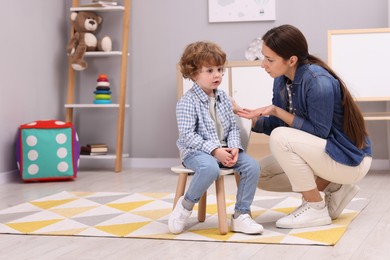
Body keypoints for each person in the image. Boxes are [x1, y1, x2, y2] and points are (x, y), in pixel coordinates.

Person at [236, 24, 372, 229]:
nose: (263, 64)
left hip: (349, 159)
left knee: (282, 137)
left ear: (291, 60)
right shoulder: (281, 80)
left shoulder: (318, 81)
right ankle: (335, 187)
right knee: (257, 173)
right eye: (263, 57)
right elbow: (281, 124)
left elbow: (319, 133)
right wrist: (253, 120)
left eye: (269, 59)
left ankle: (314, 206)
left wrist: (276, 110)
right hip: (326, 154)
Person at [168, 41, 263, 235]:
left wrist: (234, 147)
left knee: (252, 166)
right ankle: (185, 206)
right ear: (194, 73)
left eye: (220, 69)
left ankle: (241, 215)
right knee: (209, 167)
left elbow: (233, 129)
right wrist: (214, 150)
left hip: (225, 149)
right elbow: (187, 136)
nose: (217, 74)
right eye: (210, 70)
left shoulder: (225, 99)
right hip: (196, 152)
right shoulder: (187, 102)